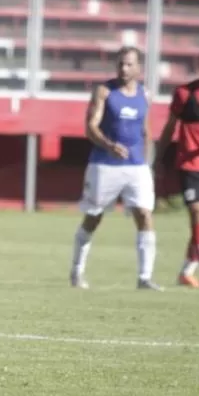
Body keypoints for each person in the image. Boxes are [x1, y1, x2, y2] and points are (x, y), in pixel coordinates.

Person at [69, 46, 161, 291]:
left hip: (137, 166)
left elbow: (146, 130)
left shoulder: (145, 95)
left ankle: (145, 277)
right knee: (94, 216)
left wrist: (149, 163)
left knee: (144, 214)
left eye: (129, 64)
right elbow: (90, 127)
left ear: (139, 67)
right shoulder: (104, 92)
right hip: (104, 164)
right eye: (120, 64)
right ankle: (77, 271)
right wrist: (109, 145)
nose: (124, 69)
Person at [154, 52, 199, 287]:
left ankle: (186, 272)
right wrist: (158, 157)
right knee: (197, 213)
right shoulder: (184, 93)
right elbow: (170, 127)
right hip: (189, 166)